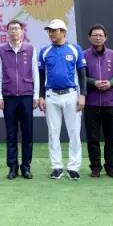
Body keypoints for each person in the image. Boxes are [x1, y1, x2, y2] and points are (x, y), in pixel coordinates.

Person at [38, 19, 87, 180]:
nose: (51, 33)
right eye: (49, 31)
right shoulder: (45, 51)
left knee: (74, 132)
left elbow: (82, 74)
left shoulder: (75, 49)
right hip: (51, 95)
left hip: (71, 95)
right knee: (53, 133)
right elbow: (41, 76)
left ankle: (73, 167)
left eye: (54, 30)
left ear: (63, 32)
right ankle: (57, 166)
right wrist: (41, 96)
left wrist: (82, 95)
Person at [0, 20, 39, 180]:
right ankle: (12, 167)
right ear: (7, 32)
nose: (14, 31)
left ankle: (26, 167)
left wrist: (36, 95)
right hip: (9, 97)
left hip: (26, 96)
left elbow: (35, 73)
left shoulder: (30, 49)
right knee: (11, 134)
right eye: (11, 29)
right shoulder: (1, 50)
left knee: (27, 133)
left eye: (17, 29)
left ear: (22, 32)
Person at [83, 24, 113, 178]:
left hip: (110, 102)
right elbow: (81, 76)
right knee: (92, 138)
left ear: (105, 37)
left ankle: (111, 167)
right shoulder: (83, 55)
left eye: (100, 35)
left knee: (111, 137)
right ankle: (95, 167)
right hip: (91, 102)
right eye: (95, 35)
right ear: (89, 37)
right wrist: (94, 82)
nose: (98, 38)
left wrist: (111, 83)